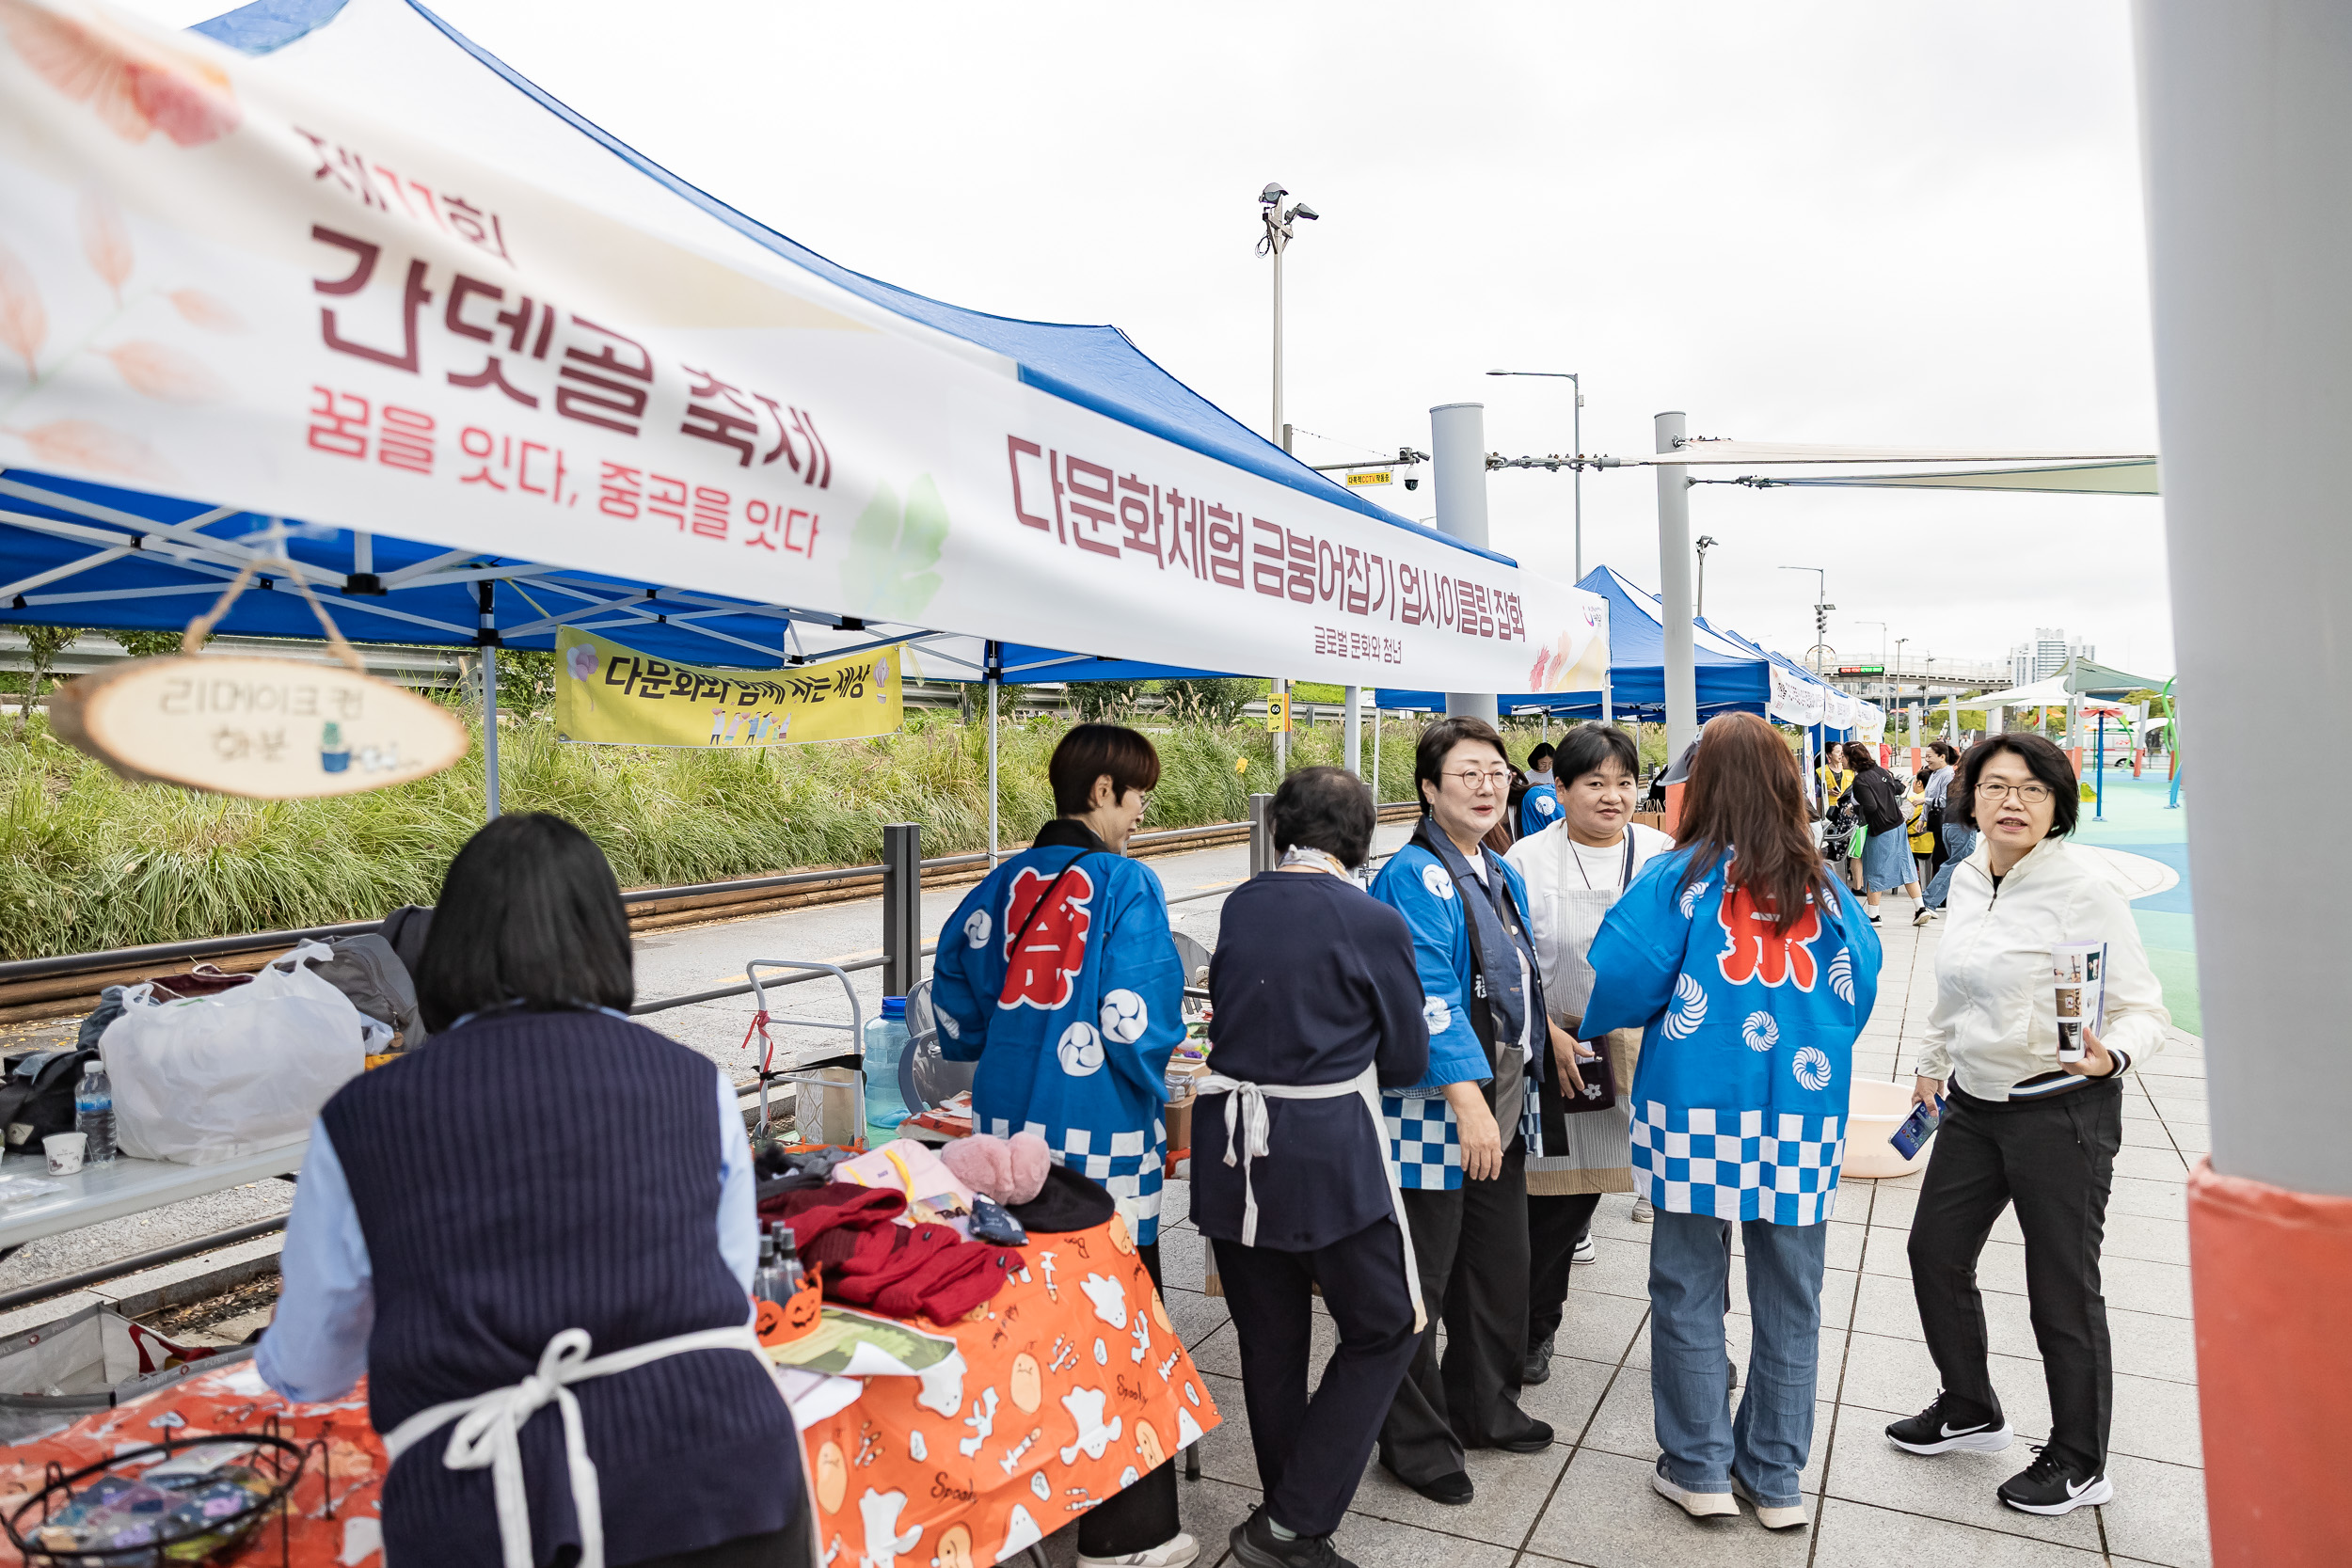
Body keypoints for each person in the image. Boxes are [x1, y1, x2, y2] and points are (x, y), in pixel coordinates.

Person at [259, 814, 806, 1568]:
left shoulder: (361, 1117)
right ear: (606, 938)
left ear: (448, 947)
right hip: (727, 1478)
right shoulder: (693, 1082)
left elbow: (313, 1363)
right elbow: (727, 1286)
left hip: (495, 1509)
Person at [1581, 713, 1881, 1530]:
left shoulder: (1678, 880)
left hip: (1695, 1109)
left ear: (1702, 787)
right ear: (1788, 785)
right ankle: (1776, 1478)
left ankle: (1699, 1468)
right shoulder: (1825, 887)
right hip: (1802, 1114)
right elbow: (1856, 994)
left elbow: (1620, 981)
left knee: (1687, 1284)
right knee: (1793, 1295)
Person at [1888, 733, 2169, 1517]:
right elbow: (1956, 989)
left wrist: (2111, 1055)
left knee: (2060, 1288)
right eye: (1996, 785)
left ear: (2057, 804)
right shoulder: (1969, 874)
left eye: (2032, 789)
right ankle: (1970, 1408)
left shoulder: (2084, 890)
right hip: (1974, 1104)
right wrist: (1931, 1060)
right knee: (1933, 1251)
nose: (2011, 801)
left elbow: (2145, 1008)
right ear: (1970, 796)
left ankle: (2080, 1459)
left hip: (2061, 1109)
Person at [931, 723, 1193, 1568]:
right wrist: (1163, 1077)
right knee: (1119, 1316)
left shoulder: (998, 883)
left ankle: (1025, 1497)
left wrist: (1013, 1040)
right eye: (1139, 793)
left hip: (1004, 1131)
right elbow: (1136, 1018)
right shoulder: (1126, 883)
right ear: (1103, 790)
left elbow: (953, 1006)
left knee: (1024, 1310)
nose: (1143, 811)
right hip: (1101, 1132)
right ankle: (1128, 1536)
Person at [1199, 768, 1430, 1568]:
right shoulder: (1373, 919)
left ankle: (1290, 1520)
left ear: (1280, 829)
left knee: (1270, 1342)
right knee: (1387, 1322)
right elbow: (1407, 1057)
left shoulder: (1242, 902)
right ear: (1360, 838)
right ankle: (1292, 1524)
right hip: (1327, 1150)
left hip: (1233, 1150)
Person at [1370, 716, 1559, 1506]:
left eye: (1496, 772)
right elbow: (1429, 994)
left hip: (1498, 1099)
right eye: (1466, 774)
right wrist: (1466, 1099)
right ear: (1427, 788)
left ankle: (1482, 1404)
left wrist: (1549, 1037)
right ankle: (1411, 1443)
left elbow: (1515, 971)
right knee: (1424, 1278)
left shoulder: (1496, 867)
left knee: (1498, 1266)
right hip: (1438, 1106)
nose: (1487, 786)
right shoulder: (1415, 874)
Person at [1505, 722, 1675, 1376]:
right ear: (1560, 788)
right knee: (1555, 1203)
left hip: (1650, 1043)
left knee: (1689, 1205)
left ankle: (1700, 1344)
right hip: (1562, 1043)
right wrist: (1545, 1031)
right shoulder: (1527, 859)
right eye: (1596, 782)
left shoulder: (1662, 853)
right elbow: (1511, 959)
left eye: (1625, 782)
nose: (1613, 796)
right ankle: (1533, 1331)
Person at [1847, 747, 1920, 922]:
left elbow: (1870, 807)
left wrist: (1854, 809)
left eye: (1844, 756)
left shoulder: (1860, 780)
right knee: (1906, 865)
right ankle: (1921, 908)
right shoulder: (1881, 771)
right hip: (1898, 824)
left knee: (1874, 870)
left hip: (1880, 828)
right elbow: (1893, 791)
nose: (1842, 760)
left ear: (1852, 759)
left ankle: (1874, 915)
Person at [1921, 740, 1961, 879]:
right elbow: (1929, 796)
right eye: (1926, 756)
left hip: (1945, 823)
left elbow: (1945, 800)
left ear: (1942, 757)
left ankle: (1941, 891)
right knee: (1937, 859)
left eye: (1929, 756)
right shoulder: (1934, 773)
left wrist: (1924, 801)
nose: (1927, 760)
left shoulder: (1948, 775)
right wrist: (1922, 818)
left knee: (1940, 859)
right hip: (1936, 824)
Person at [1905, 773, 1936, 926]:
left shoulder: (1913, 800)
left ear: (1919, 783)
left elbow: (1900, 819)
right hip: (1932, 843)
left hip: (1915, 844)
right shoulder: (1934, 799)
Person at [1518, 742, 1563, 839]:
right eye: (1543, 764)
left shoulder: (1555, 774)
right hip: (1535, 815)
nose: (1547, 767)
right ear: (1535, 761)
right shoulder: (1527, 777)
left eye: (1550, 763)